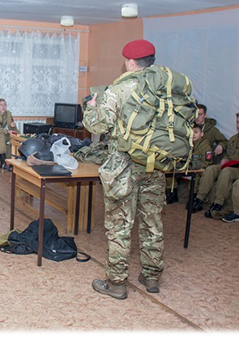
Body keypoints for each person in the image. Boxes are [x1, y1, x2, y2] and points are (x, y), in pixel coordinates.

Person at [83, 39, 171, 300]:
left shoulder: (119, 89)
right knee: (152, 222)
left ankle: (117, 283)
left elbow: (97, 126)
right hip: (155, 165)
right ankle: (151, 276)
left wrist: (90, 109)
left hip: (124, 167)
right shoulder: (164, 88)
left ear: (131, 62)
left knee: (120, 226)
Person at [192, 111, 239, 218]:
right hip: (229, 165)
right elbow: (229, 154)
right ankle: (199, 199)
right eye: (237, 122)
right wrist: (225, 159)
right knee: (211, 169)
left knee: (226, 171)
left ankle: (217, 203)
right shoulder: (233, 139)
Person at [165, 123, 212, 204]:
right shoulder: (187, 144)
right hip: (187, 168)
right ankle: (172, 193)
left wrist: (192, 166)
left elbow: (206, 163)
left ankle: (193, 198)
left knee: (195, 176)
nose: (193, 135)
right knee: (170, 169)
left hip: (199, 170)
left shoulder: (205, 146)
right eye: (191, 132)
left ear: (202, 134)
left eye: (196, 132)